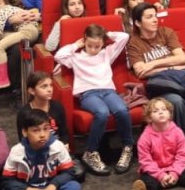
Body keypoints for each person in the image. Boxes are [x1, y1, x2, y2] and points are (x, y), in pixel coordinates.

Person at [127, 3, 185, 147]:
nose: (155, 20)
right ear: (137, 23)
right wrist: (171, 66)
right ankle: (177, 144)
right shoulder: (134, 43)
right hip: (161, 86)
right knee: (176, 103)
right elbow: (141, 72)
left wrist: (153, 64)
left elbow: (182, 59)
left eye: (155, 16)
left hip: (183, 80)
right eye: (149, 17)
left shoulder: (166, 32)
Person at [54, 24, 135, 176]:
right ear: (84, 41)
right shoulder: (76, 57)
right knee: (101, 112)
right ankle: (90, 152)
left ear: (103, 43)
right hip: (88, 94)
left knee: (122, 110)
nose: (93, 49)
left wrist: (107, 33)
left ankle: (127, 147)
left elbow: (124, 37)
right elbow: (58, 56)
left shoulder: (106, 53)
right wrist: (76, 45)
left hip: (108, 91)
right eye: (90, 45)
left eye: (97, 46)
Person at [0, 108, 81, 190]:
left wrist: (53, 185)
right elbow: (7, 180)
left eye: (46, 129)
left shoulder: (58, 146)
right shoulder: (16, 151)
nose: (42, 134)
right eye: (36, 130)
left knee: (74, 187)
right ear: (25, 132)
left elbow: (69, 172)